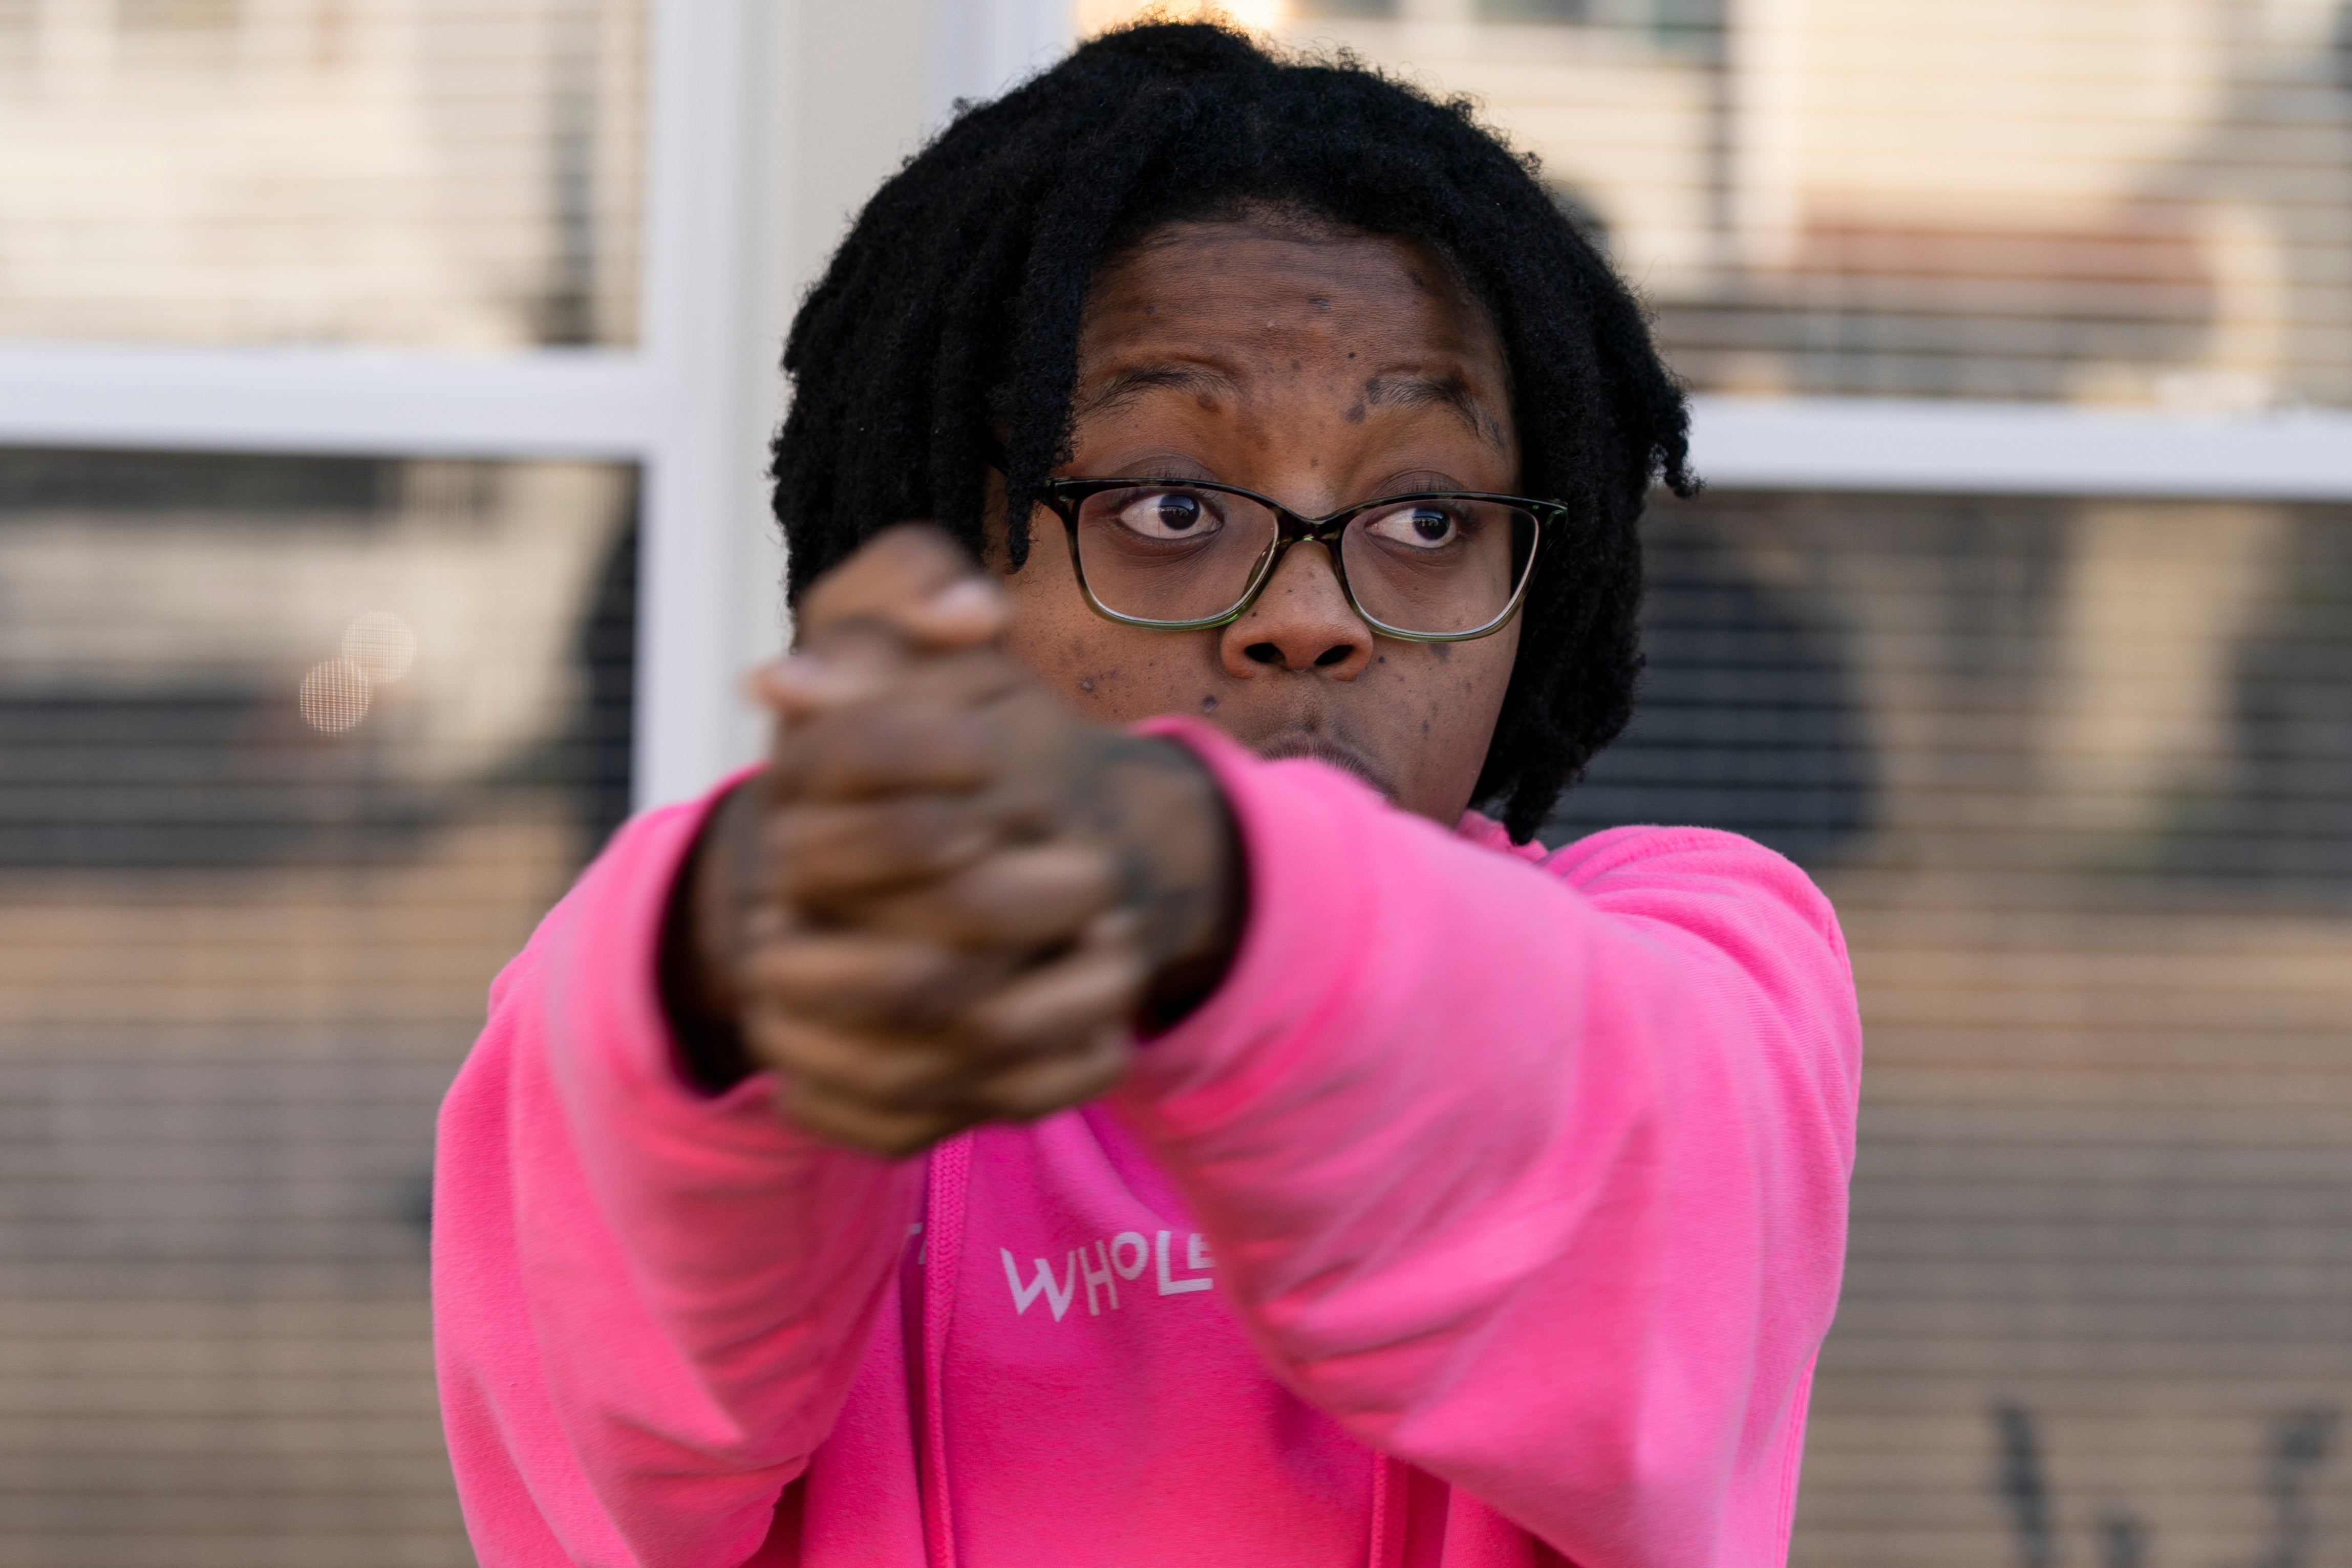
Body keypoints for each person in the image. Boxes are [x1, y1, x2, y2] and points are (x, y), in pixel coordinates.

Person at [431, 22, 1861, 1568]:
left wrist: (1207, 881)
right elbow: (626, 1246)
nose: (1312, 612)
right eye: (1169, 505)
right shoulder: (743, 955)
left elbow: (1623, 1162)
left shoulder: (1706, 962)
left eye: (1428, 513)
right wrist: (732, 966)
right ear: (948, 550)